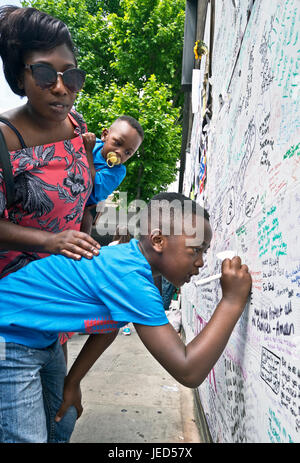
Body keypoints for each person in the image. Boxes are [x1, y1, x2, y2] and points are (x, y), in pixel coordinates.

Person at [0, 192, 252, 443]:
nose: (200, 262)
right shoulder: (131, 278)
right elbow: (188, 370)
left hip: (40, 340)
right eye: (195, 250)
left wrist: (73, 382)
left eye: (204, 252)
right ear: (158, 240)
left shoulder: (131, 264)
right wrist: (231, 302)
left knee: (62, 418)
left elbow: (108, 327)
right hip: (7, 341)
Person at [80, 116, 144, 235]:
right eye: (118, 143)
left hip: (88, 204)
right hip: (75, 191)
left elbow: (93, 182)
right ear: (105, 135)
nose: (120, 152)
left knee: (87, 219)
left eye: (127, 152)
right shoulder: (94, 145)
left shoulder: (118, 171)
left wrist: (88, 152)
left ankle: (82, 245)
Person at [108, 225, 134, 335]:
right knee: (126, 303)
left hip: (114, 278)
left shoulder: (111, 245)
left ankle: (113, 325)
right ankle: (126, 326)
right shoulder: (131, 245)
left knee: (115, 303)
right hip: (127, 278)